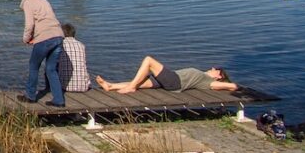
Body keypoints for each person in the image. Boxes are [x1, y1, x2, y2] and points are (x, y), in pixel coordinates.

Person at [18, 0, 65, 107]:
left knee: (34, 65)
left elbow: (29, 24)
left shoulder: (28, 2)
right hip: (58, 35)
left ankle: (30, 95)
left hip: (45, 37)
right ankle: (59, 100)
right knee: (51, 69)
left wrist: (26, 39)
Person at [96, 56, 237, 94]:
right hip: (171, 79)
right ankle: (111, 86)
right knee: (140, 81)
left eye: (216, 69)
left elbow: (233, 86)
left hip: (175, 82)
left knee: (149, 60)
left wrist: (232, 86)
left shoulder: (209, 81)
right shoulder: (204, 77)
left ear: (218, 76)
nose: (212, 68)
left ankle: (131, 87)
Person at [57, 23, 90, 92]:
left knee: (51, 66)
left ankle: (49, 88)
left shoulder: (60, 45)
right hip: (84, 86)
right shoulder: (81, 45)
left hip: (64, 86)